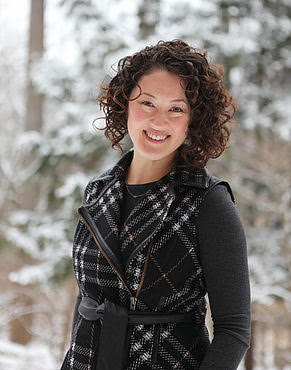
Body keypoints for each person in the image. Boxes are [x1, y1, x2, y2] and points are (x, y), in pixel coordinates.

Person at [60, 39, 251, 370]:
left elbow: (234, 331)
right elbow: (88, 302)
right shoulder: (97, 192)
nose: (158, 121)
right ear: (125, 104)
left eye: (176, 108)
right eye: (147, 103)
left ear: (193, 120)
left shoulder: (209, 203)